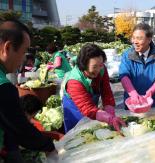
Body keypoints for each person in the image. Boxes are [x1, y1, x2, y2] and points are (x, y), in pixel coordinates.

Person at [0, 19, 56, 162]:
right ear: (7, 48)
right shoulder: (4, 87)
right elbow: (22, 131)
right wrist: (50, 146)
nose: (24, 59)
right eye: (24, 51)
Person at [62, 44, 126, 133]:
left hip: (91, 105)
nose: (98, 70)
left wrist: (110, 113)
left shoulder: (102, 69)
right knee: (79, 132)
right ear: (83, 65)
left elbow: (106, 91)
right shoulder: (74, 81)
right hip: (74, 106)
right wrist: (109, 119)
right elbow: (87, 108)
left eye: (100, 65)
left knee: (96, 129)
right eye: (94, 66)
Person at [119, 23, 155, 109]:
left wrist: (151, 91)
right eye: (133, 38)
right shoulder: (127, 55)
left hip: (150, 103)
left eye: (139, 38)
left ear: (149, 40)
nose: (135, 42)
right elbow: (124, 76)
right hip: (132, 104)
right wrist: (133, 93)